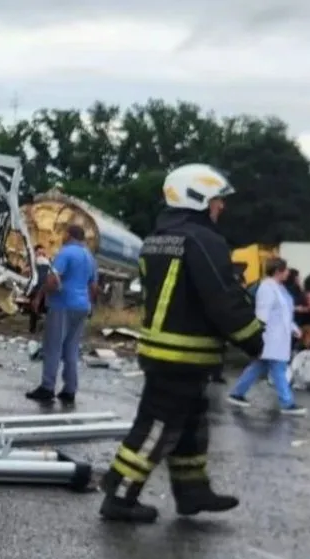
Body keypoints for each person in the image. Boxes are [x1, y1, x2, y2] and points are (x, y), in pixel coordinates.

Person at [97, 163, 263, 524]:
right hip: (184, 353)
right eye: (218, 200)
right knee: (157, 426)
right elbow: (223, 297)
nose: (221, 208)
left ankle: (192, 492)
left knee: (190, 423)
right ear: (199, 198)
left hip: (166, 350)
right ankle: (120, 495)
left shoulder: (157, 238)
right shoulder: (204, 240)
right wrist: (254, 338)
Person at [26, 224, 98, 405]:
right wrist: (90, 305)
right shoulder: (90, 257)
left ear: (69, 235)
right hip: (82, 306)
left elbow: (52, 279)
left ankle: (47, 387)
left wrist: (41, 295)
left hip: (62, 304)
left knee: (53, 346)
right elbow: (94, 286)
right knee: (71, 349)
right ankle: (69, 389)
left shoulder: (66, 253)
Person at [225, 257, 307, 415]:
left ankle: (237, 393)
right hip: (270, 337)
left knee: (259, 366)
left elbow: (284, 313)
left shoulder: (279, 288)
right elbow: (263, 314)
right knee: (278, 368)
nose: (288, 273)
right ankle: (287, 402)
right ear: (278, 271)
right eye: (286, 270)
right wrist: (260, 335)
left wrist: (293, 327)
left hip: (278, 337)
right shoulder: (267, 288)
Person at [27, 245, 52, 334]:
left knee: (43, 307)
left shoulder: (46, 261)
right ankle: (33, 328)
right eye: (39, 252)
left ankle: (38, 326)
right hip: (37, 286)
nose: (41, 254)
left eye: (43, 252)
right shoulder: (34, 261)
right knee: (35, 308)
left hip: (44, 286)